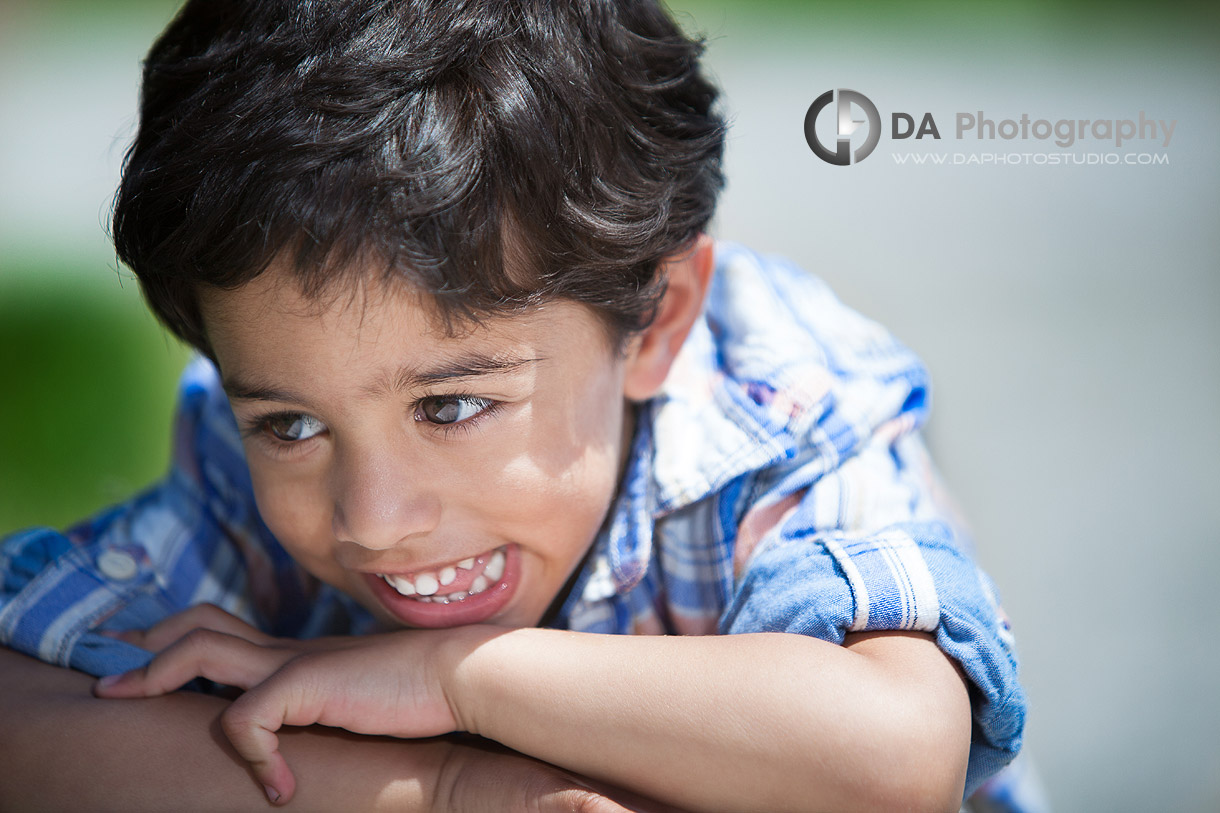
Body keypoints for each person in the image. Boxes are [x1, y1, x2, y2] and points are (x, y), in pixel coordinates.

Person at [0, 1, 1028, 810]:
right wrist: (454, 793)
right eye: (293, 427)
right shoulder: (245, 459)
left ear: (657, 320)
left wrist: (451, 678)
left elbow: (896, 764)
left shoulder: (772, 417)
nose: (372, 518)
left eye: (449, 408)